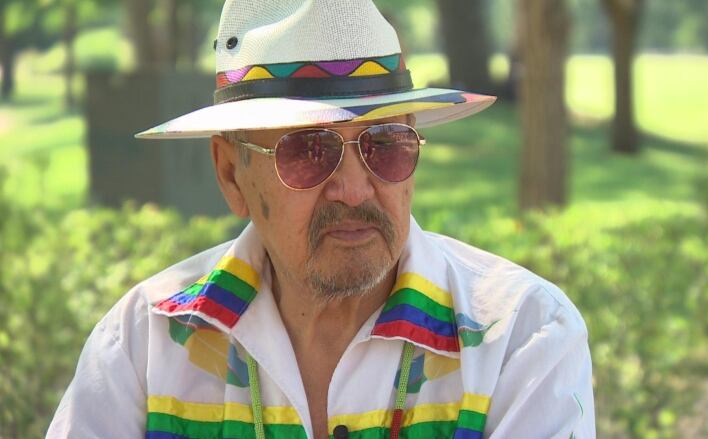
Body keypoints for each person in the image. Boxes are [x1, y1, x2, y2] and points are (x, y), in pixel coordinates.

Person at [47, 0, 595, 438]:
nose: (355, 189)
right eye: (307, 150)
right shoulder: (146, 344)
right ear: (231, 174)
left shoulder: (519, 337)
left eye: (387, 145)